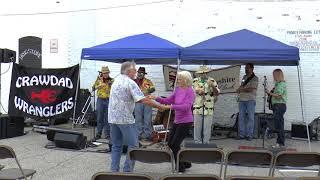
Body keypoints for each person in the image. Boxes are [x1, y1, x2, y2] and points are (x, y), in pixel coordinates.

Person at [108, 61, 164, 172]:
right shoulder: (130, 82)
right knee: (133, 145)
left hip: (112, 118)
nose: (136, 72)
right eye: (134, 70)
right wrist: (159, 106)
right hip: (125, 119)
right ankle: (127, 171)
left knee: (116, 145)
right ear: (129, 71)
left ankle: (114, 171)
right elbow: (142, 99)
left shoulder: (116, 80)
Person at [149, 71, 196, 173]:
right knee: (170, 143)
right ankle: (184, 163)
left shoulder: (190, 91)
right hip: (177, 120)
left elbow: (186, 107)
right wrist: (156, 98)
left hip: (186, 121)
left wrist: (171, 107)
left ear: (186, 80)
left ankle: (180, 167)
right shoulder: (178, 89)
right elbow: (168, 100)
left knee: (175, 144)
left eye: (179, 79)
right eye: (177, 78)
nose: (177, 81)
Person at [193, 65, 220, 144]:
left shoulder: (212, 80)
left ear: (207, 72)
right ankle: (197, 142)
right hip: (198, 107)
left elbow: (217, 93)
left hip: (208, 107)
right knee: (197, 126)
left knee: (207, 127)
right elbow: (192, 92)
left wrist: (212, 85)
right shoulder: (195, 81)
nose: (203, 74)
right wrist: (197, 91)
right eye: (201, 73)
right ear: (199, 73)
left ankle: (206, 142)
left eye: (205, 72)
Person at [237, 63, 259, 141]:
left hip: (250, 100)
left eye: (247, 68)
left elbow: (252, 89)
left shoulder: (255, 78)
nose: (246, 69)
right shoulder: (244, 77)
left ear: (252, 68)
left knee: (250, 118)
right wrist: (238, 89)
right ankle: (241, 135)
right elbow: (242, 85)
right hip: (242, 100)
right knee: (241, 117)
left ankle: (249, 135)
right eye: (245, 68)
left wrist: (242, 89)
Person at [266, 69, 287, 147]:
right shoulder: (278, 84)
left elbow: (279, 96)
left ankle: (279, 142)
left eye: (274, 75)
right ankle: (280, 142)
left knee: (278, 124)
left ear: (278, 75)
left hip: (279, 105)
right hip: (278, 106)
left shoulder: (281, 84)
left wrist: (269, 93)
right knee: (279, 124)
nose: (273, 77)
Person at [134, 67, 155, 141]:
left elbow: (153, 88)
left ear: (144, 74)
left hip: (147, 101)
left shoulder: (148, 81)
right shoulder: (133, 81)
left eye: (141, 73)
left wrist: (147, 91)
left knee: (147, 119)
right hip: (138, 102)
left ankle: (147, 135)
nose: (140, 74)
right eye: (139, 72)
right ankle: (138, 135)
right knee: (138, 119)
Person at [92, 66, 113, 139]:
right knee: (99, 117)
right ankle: (98, 133)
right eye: (104, 73)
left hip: (108, 99)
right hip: (100, 99)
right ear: (102, 73)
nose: (105, 74)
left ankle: (107, 134)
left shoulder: (112, 80)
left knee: (107, 117)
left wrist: (111, 84)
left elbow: (115, 90)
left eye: (107, 73)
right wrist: (99, 86)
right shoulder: (98, 80)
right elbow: (93, 88)